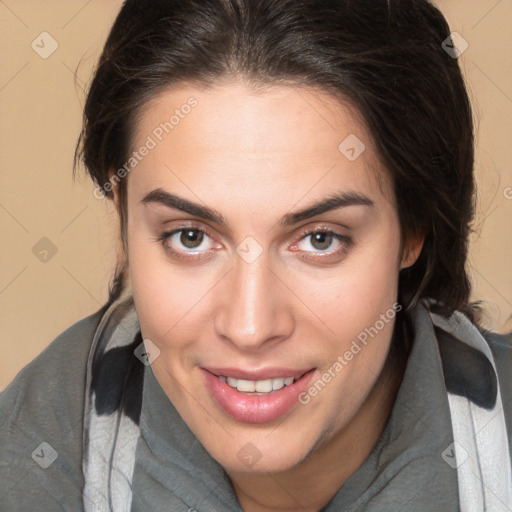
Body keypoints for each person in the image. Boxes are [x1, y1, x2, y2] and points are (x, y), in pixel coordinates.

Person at [1, 0, 511, 510]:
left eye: (320, 239)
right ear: (124, 215)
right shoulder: (31, 456)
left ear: (413, 230)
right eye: (191, 237)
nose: (249, 327)